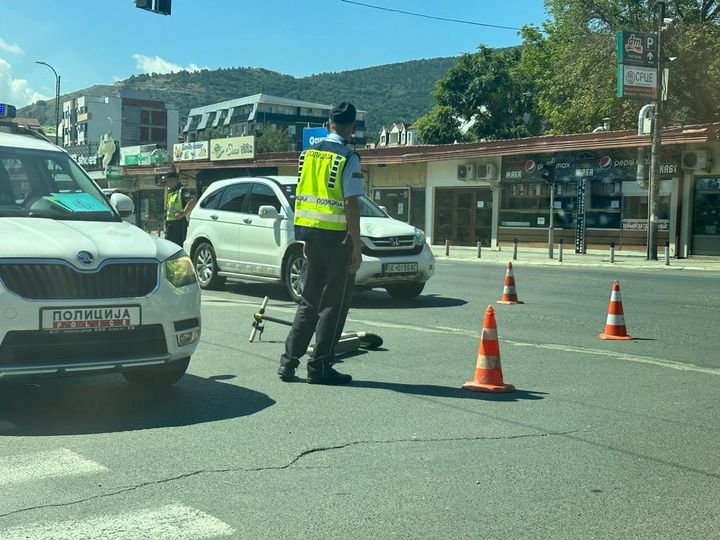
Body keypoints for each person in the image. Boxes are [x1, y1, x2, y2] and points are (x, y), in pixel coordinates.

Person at [278, 102, 364, 385]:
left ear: (328, 124)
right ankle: (320, 367)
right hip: (337, 240)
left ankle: (288, 363)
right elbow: (351, 203)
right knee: (333, 305)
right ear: (351, 127)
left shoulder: (307, 155)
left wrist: (303, 238)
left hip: (311, 237)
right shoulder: (348, 157)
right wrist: (356, 243)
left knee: (309, 300)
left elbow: (302, 195)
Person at [163, 171, 195, 246]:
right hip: (169, 224)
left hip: (179, 224)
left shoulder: (182, 190)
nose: (167, 183)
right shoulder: (170, 192)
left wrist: (183, 213)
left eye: (167, 181)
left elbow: (191, 201)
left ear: (173, 180)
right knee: (168, 246)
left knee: (178, 246)